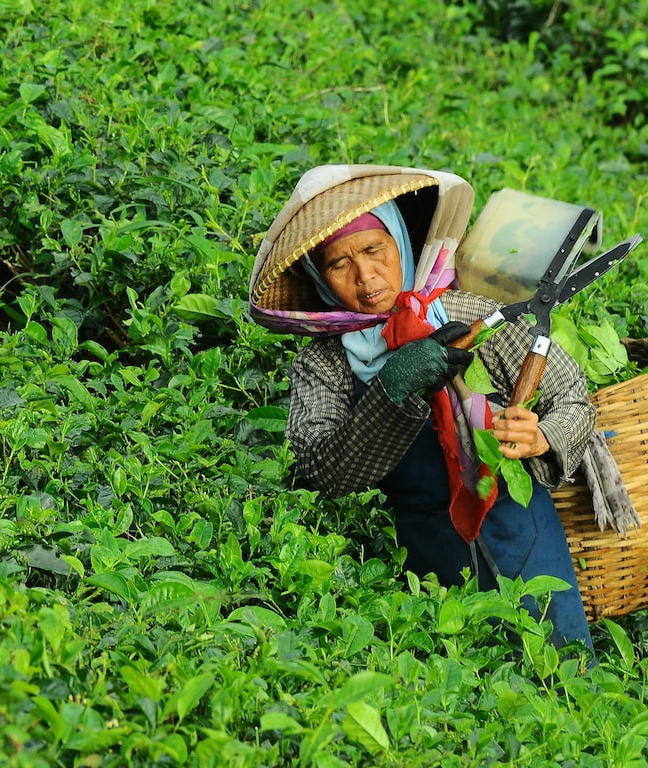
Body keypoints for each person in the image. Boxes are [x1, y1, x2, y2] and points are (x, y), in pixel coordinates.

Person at [247, 165, 596, 655]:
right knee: (463, 685)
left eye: (374, 250)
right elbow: (320, 469)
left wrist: (545, 435)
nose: (366, 277)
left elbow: (571, 392)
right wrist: (393, 386)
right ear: (318, 278)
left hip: (524, 531)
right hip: (429, 556)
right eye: (339, 264)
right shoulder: (324, 362)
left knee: (565, 670)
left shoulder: (464, 313)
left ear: (400, 244)